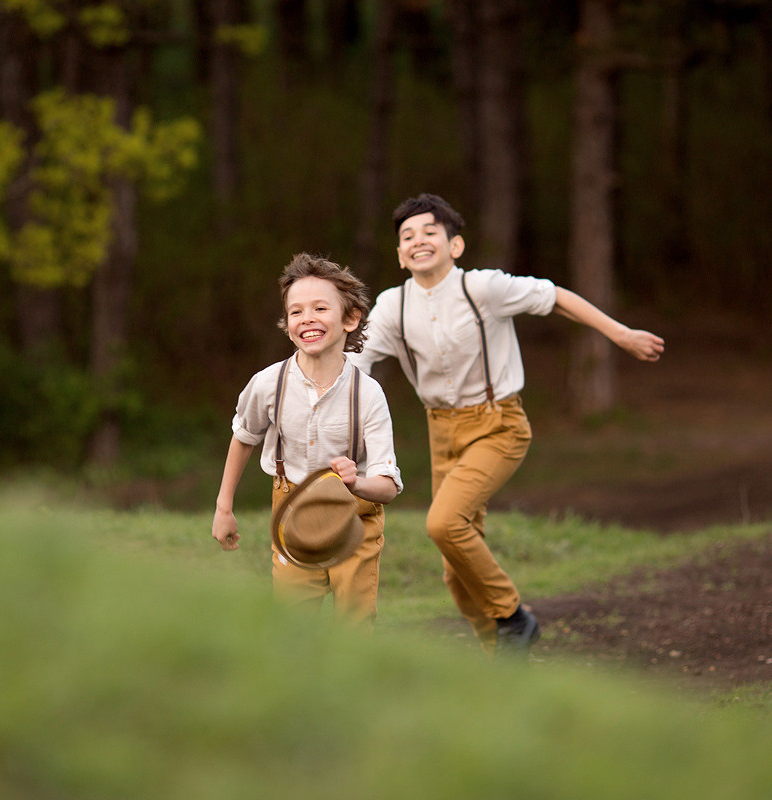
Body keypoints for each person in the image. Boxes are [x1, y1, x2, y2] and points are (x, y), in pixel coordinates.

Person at [350, 193, 665, 653]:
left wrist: (620, 333)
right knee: (456, 570)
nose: (418, 241)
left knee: (443, 523)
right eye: (408, 236)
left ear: (455, 245)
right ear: (400, 255)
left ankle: (515, 617)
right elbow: (356, 362)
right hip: (441, 432)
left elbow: (554, 297)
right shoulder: (392, 306)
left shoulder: (484, 288)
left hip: (498, 425)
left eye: (430, 232)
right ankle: (501, 656)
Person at [212, 253, 403, 627]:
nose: (307, 318)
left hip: (355, 520)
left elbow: (387, 486)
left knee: (354, 627)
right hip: (293, 519)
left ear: (350, 319)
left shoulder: (368, 394)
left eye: (320, 308)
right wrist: (223, 507)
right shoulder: (269, 384)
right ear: (287, 324)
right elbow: (243, 437)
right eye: (296, 311)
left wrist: (356, 482)